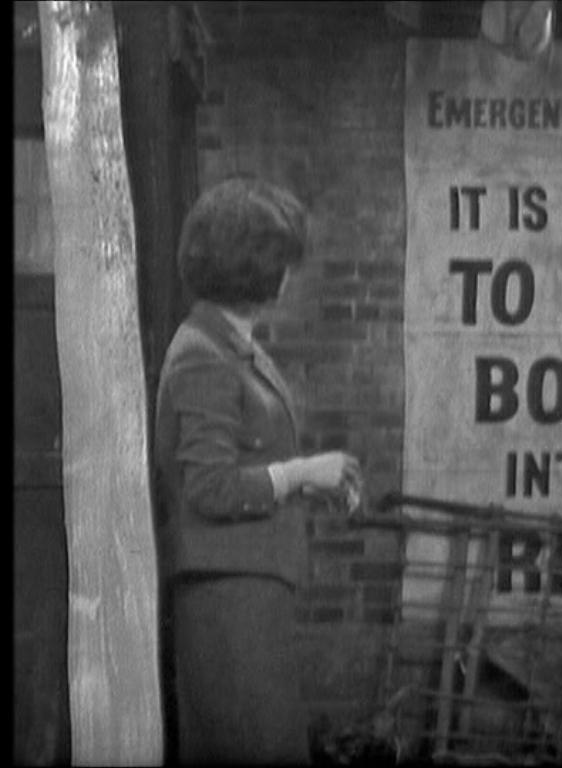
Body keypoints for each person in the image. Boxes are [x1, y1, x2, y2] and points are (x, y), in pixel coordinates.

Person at [154, 177, 362, 764]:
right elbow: (209, 486)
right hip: (227, 599)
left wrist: (310, 483)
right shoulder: (203, 356)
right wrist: (300, 473)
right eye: (282, 259)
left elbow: (243, 461)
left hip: (248, 589)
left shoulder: (229, 346)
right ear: (256, 267)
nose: (289, 274)